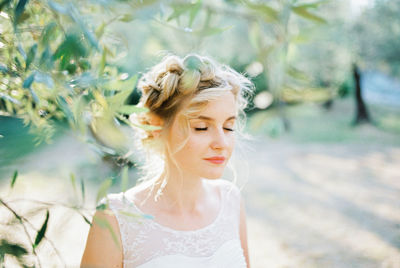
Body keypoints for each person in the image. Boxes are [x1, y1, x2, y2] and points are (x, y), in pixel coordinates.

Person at [81, 54, 253, 268]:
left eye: (228, 127)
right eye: (201, 127)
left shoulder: (231, 200)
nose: (222, 143)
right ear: (156, 127)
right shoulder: (114, 218)